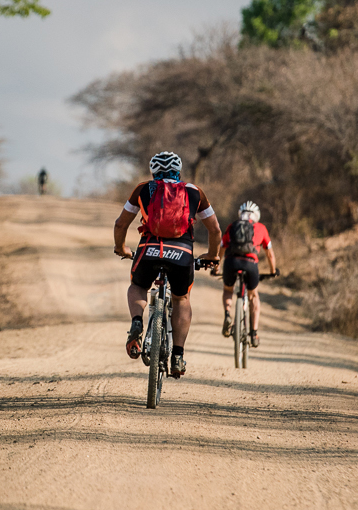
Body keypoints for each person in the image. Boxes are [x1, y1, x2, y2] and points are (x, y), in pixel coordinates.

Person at [113, 151, 221, 378]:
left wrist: (122, 248)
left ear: (154, 171)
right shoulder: (194, 192)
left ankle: (136, 322)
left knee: (138, 286)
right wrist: (212, 255)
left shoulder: (143, 189)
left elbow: (120, 224)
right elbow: (215, 230)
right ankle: (178, 356)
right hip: (182, 253)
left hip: (149, 250)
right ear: (178, 170)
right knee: (181, 298)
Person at [220, 201, 277, 348]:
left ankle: (227, 315)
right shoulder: (261, 228)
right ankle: (254, 333)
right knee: (253, 296)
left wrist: (216, 266)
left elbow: (222, 246)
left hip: (231, 262)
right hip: (250, 264)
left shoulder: (232, 226)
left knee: (228, 290)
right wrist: (273, 271)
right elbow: (269, 254)